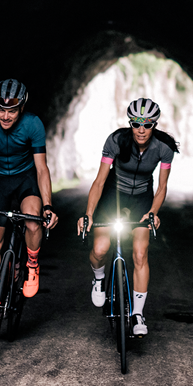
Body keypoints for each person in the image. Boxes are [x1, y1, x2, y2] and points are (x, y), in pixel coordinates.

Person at [77, 98, 179, 336]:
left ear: (155, 124)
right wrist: (89, 214)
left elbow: (162, 187)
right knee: (100, 248)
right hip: (113, 194)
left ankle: (137, 314)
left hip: (142, 197)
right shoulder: (116, 140)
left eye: (147, 124)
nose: (141, 130)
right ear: (130, 123)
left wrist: (153, 212)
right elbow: (100, 181)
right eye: (136, 123)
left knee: (140, 253)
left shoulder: (164, 148)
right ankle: (99, 278)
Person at [0, 79, 59, 330]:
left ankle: (31, 263)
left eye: (12, 110)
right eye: (1, 109)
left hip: (25, 180)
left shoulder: (33, 124)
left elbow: (41, 169)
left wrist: (48, 206)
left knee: (32, 221)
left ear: (22, 108)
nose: (6, 116)